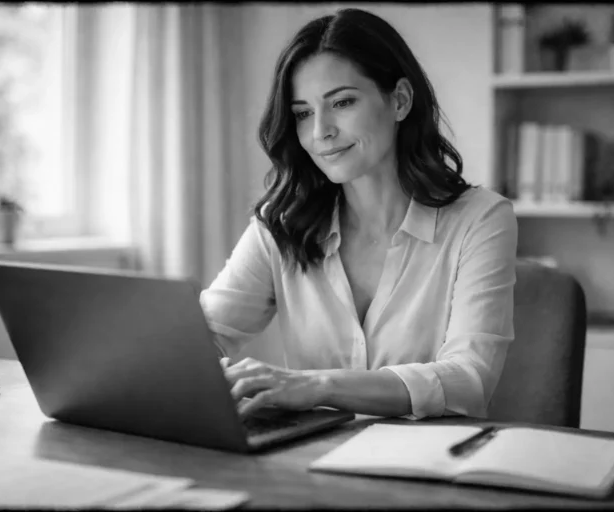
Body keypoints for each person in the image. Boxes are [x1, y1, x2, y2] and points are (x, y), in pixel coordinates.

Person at [200, 8, 517, 421]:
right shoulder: (281, 223)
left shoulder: (481, 218)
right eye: (302, 113)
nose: (320, 132)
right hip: (309, 462)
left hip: (425, 468)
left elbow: (469, 379)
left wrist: (316, 385)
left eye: (342, 102)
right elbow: (203, 335)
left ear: (400, 100)